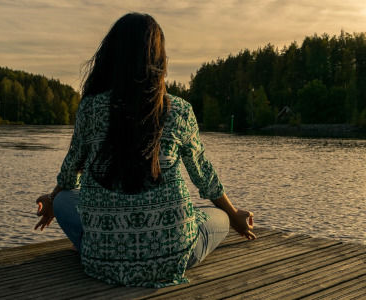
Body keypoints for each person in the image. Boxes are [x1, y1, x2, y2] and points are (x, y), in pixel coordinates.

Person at [34, 12, 255, 288]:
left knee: (66, 199)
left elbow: (70, 172)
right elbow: (204, 177)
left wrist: (53, 199)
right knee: (218, 216)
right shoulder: (180, 111)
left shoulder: (90, 108)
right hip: (173, 256)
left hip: (101, 261)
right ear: (159, 60)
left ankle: (101, 245)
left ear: (112, 57)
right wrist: (234, 216)